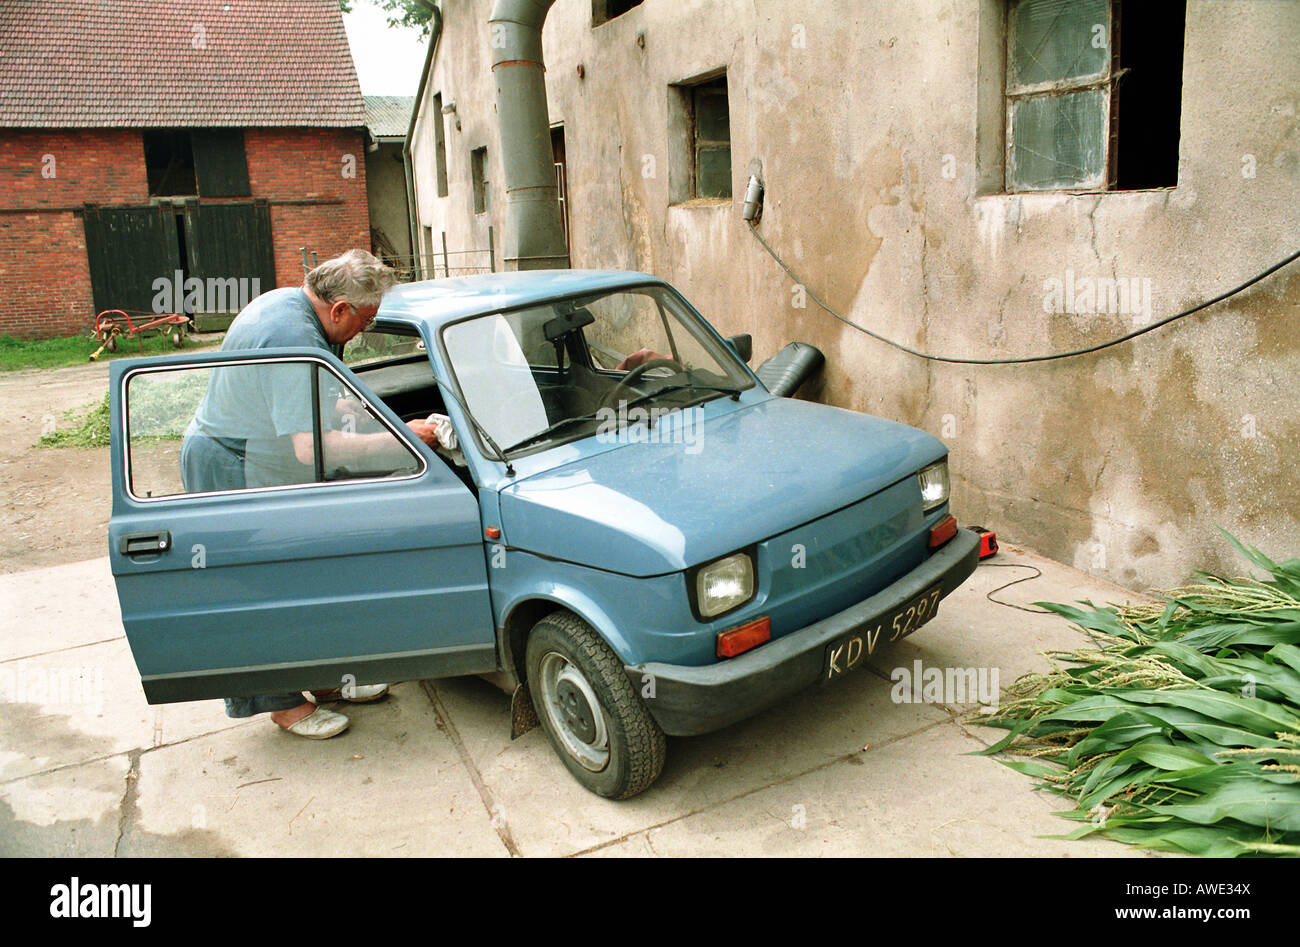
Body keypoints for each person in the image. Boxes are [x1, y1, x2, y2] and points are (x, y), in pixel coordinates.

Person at [179, 249, 439, 739]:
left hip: (259, 451)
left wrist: (382, 418)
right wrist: (407, 441)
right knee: (258, 588)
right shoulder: (291, 335)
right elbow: (309, 448)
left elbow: (324, 399)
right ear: (339, 308)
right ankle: (278, 701)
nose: (365, 329)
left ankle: (323, 681)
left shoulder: (298, 307)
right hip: (228, 463)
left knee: (303, 576)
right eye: (367, 319)